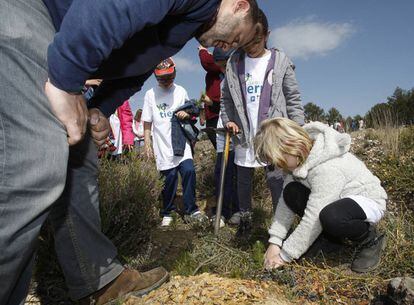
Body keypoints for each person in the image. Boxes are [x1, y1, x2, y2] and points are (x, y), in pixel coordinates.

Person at [0, 0, 261, 304]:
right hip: (27, 10)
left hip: (57, 31)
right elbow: (111, 4)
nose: (228, 48)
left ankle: (97, 279)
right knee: (35, 156)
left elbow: (134, 72)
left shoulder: (184, 26)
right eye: (237, 38)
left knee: (78, 156)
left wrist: (100, 108)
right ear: (240, 6)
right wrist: (65, 82)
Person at [255, 118, 388, 273]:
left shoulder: (327, 168)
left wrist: (284, 256)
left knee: (331, 217)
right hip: (336, 200)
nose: (279, 166)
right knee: (291, 192)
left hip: (366, 200)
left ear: (291, 146)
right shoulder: (298, 161)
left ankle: (369, 239)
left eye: (280, 160)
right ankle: (329, 240)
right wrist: (275, 242)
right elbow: (285, 205)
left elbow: (314, 217)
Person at [220, 10, 305, 236]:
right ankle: (246, 219)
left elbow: (294, 98)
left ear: (267, 35)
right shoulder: (234, 63)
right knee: (243, 181)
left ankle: (281, 223)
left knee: (276, 179)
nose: (252, 45)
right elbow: (226, 98)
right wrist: (228, 120)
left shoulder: (280, 61)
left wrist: (298, 130)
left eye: (256, 40)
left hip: (273, 135)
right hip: (245, 134)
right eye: (247, 40)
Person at [142, 59, 205, 227]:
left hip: (180, 142)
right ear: (156, 77)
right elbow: (147, 122)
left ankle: (191, 209)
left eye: (169, 77)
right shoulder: (150, 94)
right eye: (162, 79)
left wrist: (186, 113)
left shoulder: (180, 91)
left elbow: (190, 110)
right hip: (162, 145)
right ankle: (167, 211)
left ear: (174, 73)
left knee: (189, 171)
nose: (166, 81)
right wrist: (147, 143)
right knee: (169, 179)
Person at [198, 46, 231, 149]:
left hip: (219, 114)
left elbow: (206, 62)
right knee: (221, 149)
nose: (222, 68)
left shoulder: (222, 68)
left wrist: (202, 50)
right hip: (212, 113)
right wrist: (203, 112)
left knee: (227, 150)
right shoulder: (216, 73)